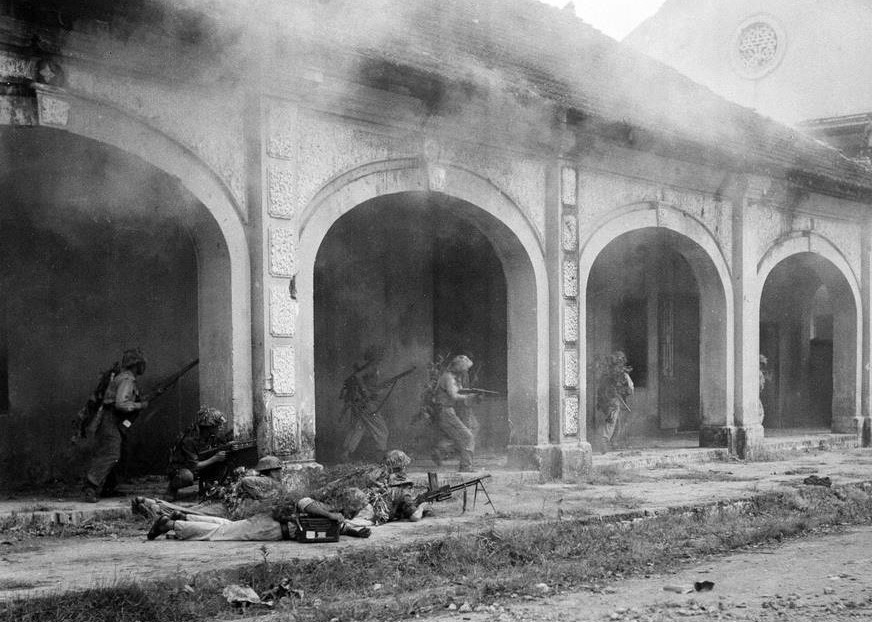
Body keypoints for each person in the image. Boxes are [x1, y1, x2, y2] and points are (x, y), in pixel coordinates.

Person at [146, 486, 373, 541]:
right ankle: (170, 525)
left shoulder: (333, 509)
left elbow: (341, 527)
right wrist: (334, 516)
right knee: (220, 533)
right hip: (271, 528)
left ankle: (185, 518)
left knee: (228, 526)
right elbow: (306, 503)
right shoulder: (325, 505)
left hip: (269, 525)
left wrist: (356, 530)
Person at [83, 348, 149, 503]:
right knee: (111, 454)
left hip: (113, 420)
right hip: (111, 419)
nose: (143, 367)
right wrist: (140, 405)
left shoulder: (124, 378)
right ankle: (90, 487)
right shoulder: (127, 379)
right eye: (141, 364)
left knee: (120, 453)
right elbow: (121, 404)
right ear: (136, 365)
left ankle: (108, 488)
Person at [165, 405, 230, 500]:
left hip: (201, 464)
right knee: (187, 476)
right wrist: (215, 458)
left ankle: (208, 488)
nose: (220, 427)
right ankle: (172, 488)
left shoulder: (212, 436)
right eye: (218, 425)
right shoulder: (189, 440)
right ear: (209, 427)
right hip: (181, 469)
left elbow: (221, 446)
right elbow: (194, 466)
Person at [338, 345, 390, 462]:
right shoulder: (371, 367)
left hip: (361, 403)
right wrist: (366, 392)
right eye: (380, 355)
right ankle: (381, 457)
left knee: (358, 428)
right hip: (366, 404)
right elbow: (358, 377)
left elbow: (369, 384)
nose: (381, 357)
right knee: (382, 430)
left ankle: (345, 454)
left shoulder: (371, 367)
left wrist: (378, 389)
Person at [432, 355, 480, 472]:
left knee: (471, 431)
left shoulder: (454, 377)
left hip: (449, 411)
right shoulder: (448, 377)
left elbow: (460, 391)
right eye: (465, 368)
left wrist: (474, 394)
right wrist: (469, 396)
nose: (467, 371)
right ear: (459, 367)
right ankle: (465, 467)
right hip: (445, 411)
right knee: (467, 437)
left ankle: (442, 450)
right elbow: (454, 395)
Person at [595, 351, 634, 453]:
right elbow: (630, 389)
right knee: (612, 421)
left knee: (616, 422)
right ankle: (605, 440)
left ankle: (612, 442)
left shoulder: (606, 374)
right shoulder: (621, 374)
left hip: (606, 400)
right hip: (613, 401)